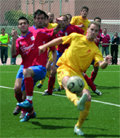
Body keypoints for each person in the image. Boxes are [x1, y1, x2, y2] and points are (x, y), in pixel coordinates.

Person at [39, 21, 112, 135]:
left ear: (98, 33)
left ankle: (78, 126)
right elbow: (60, 40)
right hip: (65, 67)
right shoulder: (75, 36)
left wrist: (106, 62)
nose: (93, 32)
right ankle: (76, 101)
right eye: (91, 29)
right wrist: (45, 45)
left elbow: (101, 64)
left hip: (79, 74)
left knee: (88, 98)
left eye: (96, 31)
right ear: (87, 30)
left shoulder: (95, 49)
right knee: (68, 83)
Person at [12, 16, 57, 122]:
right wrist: (13, 40)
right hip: (24, 65)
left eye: (24, 23)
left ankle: (24, 109)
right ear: (18, 26)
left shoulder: (36, 34)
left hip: (36, 66)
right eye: (20, 23)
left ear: (28, 25)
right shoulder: (19, 40)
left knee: (24, 91)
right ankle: (27, 109)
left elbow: (49, 33)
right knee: (16, 89)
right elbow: (13, 55)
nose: (23, 25)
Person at [43, 15, 84, 95]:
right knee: (52, 71)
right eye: (61, 21)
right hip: (59, 53)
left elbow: (83, 35)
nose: (62, 22)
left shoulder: (72, 28)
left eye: (64, 21)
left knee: (76, 72)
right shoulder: (57, 29)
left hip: (70, 54)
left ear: (67, 21)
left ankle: (85, 87)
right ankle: (50, 90)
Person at [84, 17, 103, 96]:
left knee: (96, 68)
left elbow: (100, 39)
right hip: (87, 53)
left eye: (99, 22)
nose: (94, 32)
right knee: (83, 71)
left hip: (95, 53)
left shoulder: (99, 31)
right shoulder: (87, 34)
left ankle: (91, 82)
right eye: (96, 21)